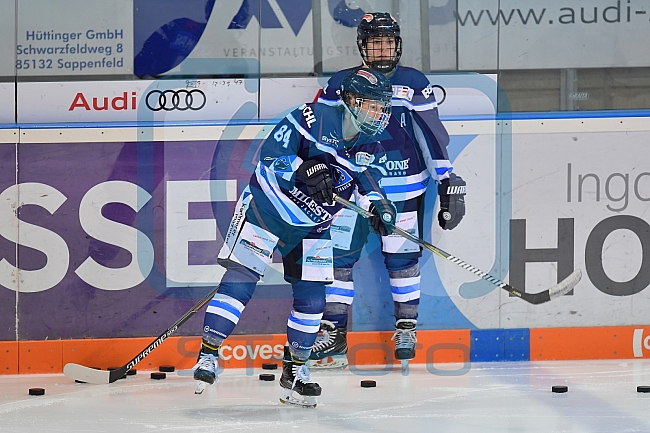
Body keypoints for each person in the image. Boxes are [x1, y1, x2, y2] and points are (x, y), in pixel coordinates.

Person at [192, 67, 397, 407]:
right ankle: (208, 355)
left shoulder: (373, 144)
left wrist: (379, 209)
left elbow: (370, 187)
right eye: (372, 105)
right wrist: (305, 168)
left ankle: (296, 372)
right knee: (240, 282)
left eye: (381, 107)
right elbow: (271, 154)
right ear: (349, 101)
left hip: (313, 227)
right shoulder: (310, 116)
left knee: (314, 299)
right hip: (266, 211)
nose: (379, 113)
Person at [309, 12, 466, 369]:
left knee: (402, 260)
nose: (382, 49)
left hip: (400, 187)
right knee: (338, 261)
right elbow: (322, 135)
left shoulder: (412, 82)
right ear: (362, 46)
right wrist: (318, 169)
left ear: (398, 44)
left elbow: (432, 137)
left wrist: (447, 181)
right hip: (351, 188)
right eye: (375, 42)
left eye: (388, 41)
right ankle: (333, 335)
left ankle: (407, 327)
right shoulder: (340, 83)